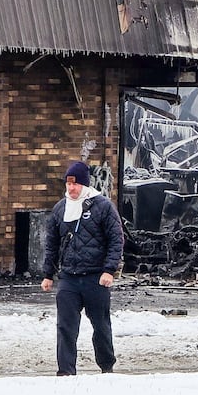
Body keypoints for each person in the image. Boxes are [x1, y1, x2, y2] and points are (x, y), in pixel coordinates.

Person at [41, 161, 125, 375]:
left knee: (101, 326)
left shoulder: (103, 206)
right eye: (68, 184)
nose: (71, 188)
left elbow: (116, 239)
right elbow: (52, 243)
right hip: (69, 277)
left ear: (84, 185)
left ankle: (107, 366)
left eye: (75, 184)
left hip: (95, 277)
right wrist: (48, 274)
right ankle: (66, 372)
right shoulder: (61, 209)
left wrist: (109, 270)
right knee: (66, 327)